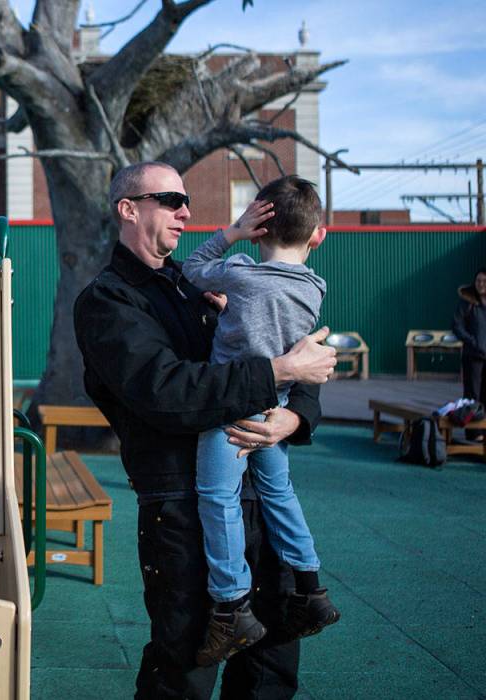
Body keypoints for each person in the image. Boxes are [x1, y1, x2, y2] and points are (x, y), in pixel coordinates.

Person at [73, 161, 337, 699]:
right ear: (129, 209)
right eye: (170, 199)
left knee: (273, 659)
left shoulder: (200, 284)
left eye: (186, 200)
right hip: (182, 506)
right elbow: (166, 393)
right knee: (186, 664)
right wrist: (280, 373)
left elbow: (291, 350)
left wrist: (295, 414)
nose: (185, 211)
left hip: (257, 494)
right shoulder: (109, 300)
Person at [181, 176, 340, 667]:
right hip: (278, 408)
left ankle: (231, 607)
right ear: (319, 236)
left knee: (217, 498)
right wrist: (238, 311)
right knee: (279, 494)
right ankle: (310, 587)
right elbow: (270, 322)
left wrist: (233, 232)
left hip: (234, 409)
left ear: (260, 225)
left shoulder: (241, 274)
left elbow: (193, 268)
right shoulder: (315, 286)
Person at [452, 268, 486, 440]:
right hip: (473, 357)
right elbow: (456, 325)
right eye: (478, 280)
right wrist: (472, 341)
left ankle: (483, 429)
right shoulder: (468, 302)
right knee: (473, 396)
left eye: (484, 281)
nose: (481, 284)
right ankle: (473, 433)